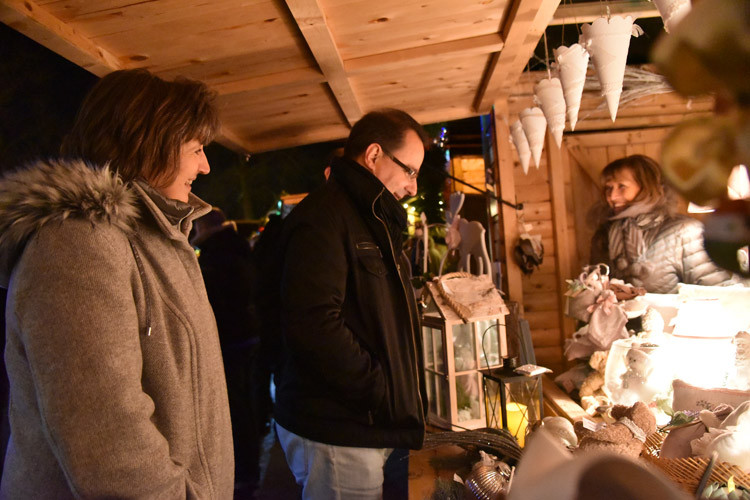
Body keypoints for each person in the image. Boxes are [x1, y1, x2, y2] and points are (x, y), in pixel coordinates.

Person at [0, 69, 233, 498]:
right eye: (196, 148)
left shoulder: (153, 237)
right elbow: (105, 432)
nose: (205, 165)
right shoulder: (76, 243)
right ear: (150, 141)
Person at [274, 108, 429, 499]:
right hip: (337, 429)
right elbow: (313, 324)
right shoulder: (326, 216)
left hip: (361, 424)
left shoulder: (368, 217)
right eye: (409, 170)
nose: (413, 187)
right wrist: (378, 388)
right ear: (374, 155)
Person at [590, 154, 741, 293]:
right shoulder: (604, 235)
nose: (612, 196)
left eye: (621, 186)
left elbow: (719, 291)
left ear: (646, 187)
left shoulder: (685, 232)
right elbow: (595, 289)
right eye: (608, 188)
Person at [191, 208, 261, 498]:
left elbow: (214, 305)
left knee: (235, 409)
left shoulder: (213, 258)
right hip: (249, 335)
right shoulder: (240, 249)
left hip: (229, 341)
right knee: (249, 404)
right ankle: (250, 467)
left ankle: (243, 472)